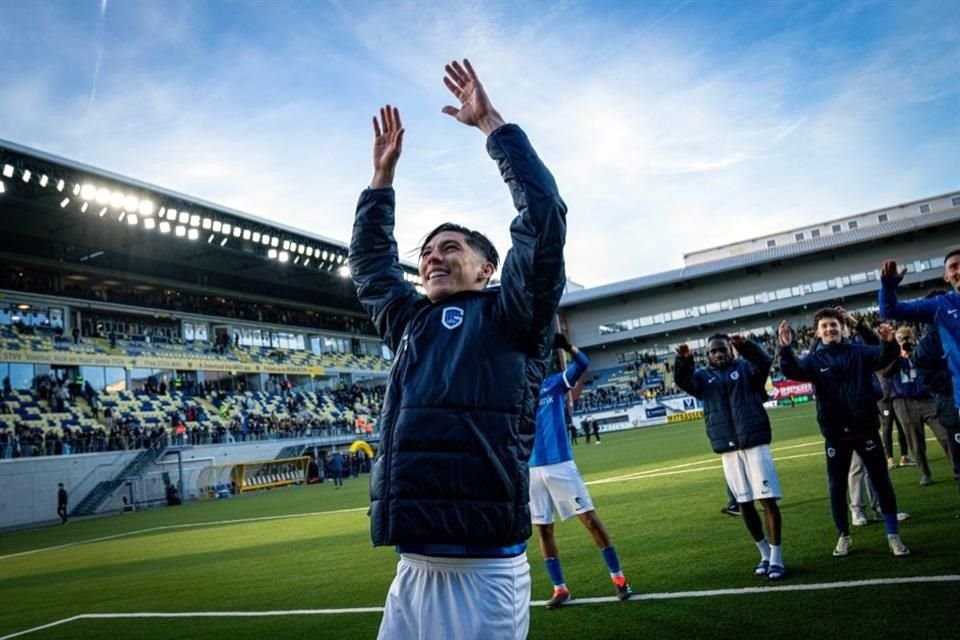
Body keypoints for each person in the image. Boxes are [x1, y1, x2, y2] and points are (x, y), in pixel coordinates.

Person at [349, 58, 566, 640]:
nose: (433, 257)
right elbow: (371, 268)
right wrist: (381, 182)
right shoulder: (412, 323)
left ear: (486, 266)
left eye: (449, 247)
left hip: (483, 568)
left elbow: (542, 219)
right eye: (425, 253)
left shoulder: (514, 314)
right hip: (411, 568)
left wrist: (491, 125)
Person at [777, 309, 910, 558]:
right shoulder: (814, 360)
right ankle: (843, 536)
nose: (830, 329)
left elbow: (885, 355)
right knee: (836, 486)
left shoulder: (859, 352)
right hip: (835, 434)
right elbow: (792, 370)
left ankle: (893, 536)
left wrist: (885, 339)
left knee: (882, 481)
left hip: (865, 429)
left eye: (834, 325)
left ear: (843, 327)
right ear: (818, 332)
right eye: (825, 326)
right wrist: (785, 348)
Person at [530, 335, 632, 608]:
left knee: (589, 520)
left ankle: (619, 579)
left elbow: (583, 363)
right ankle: (560, 588)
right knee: (543, 530)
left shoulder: (552, 384)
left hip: (560, 463)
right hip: (529, 469)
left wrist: (567, 347)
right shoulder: (513, 391)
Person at [675, 334, 786, 580]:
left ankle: (777, 559)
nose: (718, 354)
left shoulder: (746, 369)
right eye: (713, 351)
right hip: (728, 448)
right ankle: (765, 554)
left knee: (767, 500)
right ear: (708, 354)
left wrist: (746, 347)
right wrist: (683, 360)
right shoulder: (703, 378)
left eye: (722, 349)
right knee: (744, 503)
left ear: (731, 350)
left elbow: (765, 362)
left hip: (755, 443)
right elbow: (683, 381)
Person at [879, 253, 960, 415]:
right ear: (946, 277)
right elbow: (890, 310)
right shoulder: (940, 305)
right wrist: (888, 288)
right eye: (954, 267)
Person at [883, 326, 950, 486]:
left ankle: (957, 467)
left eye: (906, 338)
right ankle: (925, 473)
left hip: (927, 398)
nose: (904, 342)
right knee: (915, 442)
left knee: (944, 434)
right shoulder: (891, 355)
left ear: (912, 338)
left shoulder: (921, 351)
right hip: (903, 401)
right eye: (900, 339)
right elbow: (884, 373)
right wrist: (898, 357)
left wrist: (913, 356)